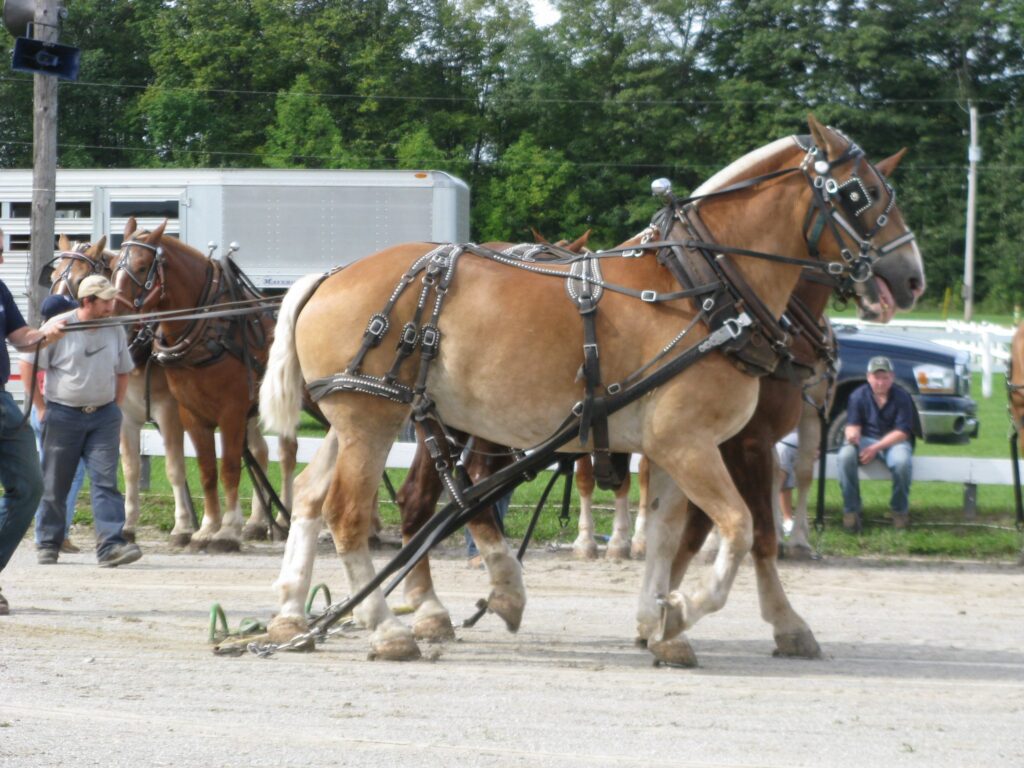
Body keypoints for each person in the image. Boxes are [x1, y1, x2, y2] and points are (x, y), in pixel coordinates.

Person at [31, 275, 140, 567]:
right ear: (87, 301)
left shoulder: (114, 328)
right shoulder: (58, 328)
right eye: (105, 301)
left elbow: (123, 370)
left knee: (106, 480)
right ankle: (48, 542)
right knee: (55, 482)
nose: (111, 305)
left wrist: (115, 407)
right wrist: (41, 409)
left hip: (103, 416)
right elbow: (29, 364)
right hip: (62, 414)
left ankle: (110, 546)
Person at [0, 228, 67, 615]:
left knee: (30, 486)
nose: (2, 259)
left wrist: (44, 334)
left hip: (3, 404)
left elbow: (20, 335)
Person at [18, 295, 86, 555]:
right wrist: (44, 408)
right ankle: (57, 534)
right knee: (70, 474)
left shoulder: (40, 340)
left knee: (51, 472)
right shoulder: (55, 341)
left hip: (42, 411)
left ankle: (47, 532)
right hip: (53, 412)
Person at [837, 356, 915, 532]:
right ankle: (852, 510)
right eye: (876, 377)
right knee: (845, 456)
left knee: (902, 462)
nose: (880, 382)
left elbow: (902, 432)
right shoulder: (857, 396)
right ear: (868, 377)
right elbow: (852, 425)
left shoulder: (902, 397)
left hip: (894, 442)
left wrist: (875, 448)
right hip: (865, 439)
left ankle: (899, 511)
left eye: (884, 377)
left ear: (892, 377)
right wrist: (852, 435)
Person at [775, 430, 798, 535]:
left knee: (783, 450)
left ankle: (769, 511)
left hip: (797, 433)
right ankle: (787, 519)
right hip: (771, 435)